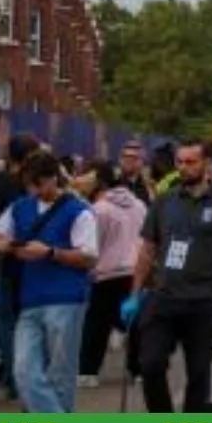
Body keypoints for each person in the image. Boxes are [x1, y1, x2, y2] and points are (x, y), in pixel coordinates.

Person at [0, 151, 99, 413]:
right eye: (29, 185)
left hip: (66, 298)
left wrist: (50, 252)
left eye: (38, 184)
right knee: (23, 370)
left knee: (60, 375)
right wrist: (5, 243)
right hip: (30, 299)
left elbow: (89, 257)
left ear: (54, 179)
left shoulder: (79, 212)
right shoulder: (20, 207)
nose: (34, 190)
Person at [126, 140, 212, 413]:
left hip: (204, 301)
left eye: (191, 162)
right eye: (180, 162)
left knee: (199, 373)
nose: (184, 168)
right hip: (164, 297)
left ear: (205, 165)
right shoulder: (164, 202)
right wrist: (134, 293)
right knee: (149, 364)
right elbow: (148, 249)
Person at [78, 160, 146, 387]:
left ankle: (88, 371)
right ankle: (137, 371)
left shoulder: (98, 209)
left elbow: (92, 243)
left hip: (107, 272)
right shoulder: (139, 205)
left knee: (97, 322)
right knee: (136, 323)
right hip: (136, 270)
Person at [0, 135, 37, 398]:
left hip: (2, 257)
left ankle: (11, 375)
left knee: (5, 319)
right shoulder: (34, 185)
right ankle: (25, 374)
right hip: (32, 257)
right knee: (28, 319)